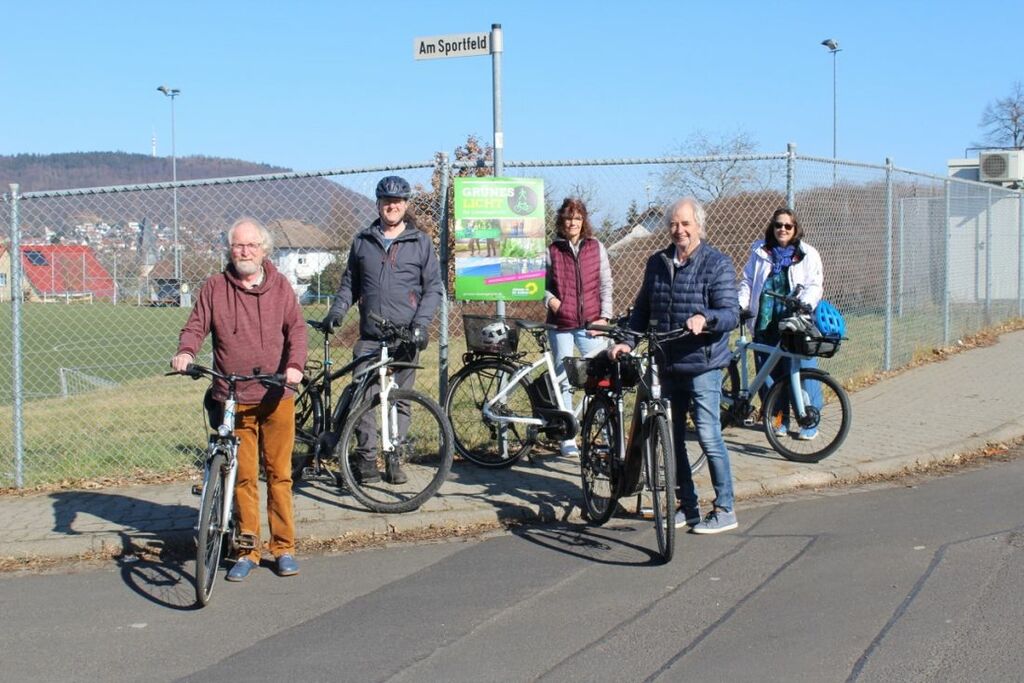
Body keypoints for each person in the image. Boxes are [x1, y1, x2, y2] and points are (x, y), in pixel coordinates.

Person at [171, 217, 307, 581]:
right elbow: (196, 325)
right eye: (237, 246)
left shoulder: (281, 288)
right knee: (244, 477)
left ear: (264, 250)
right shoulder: (214, 288)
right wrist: (186, 352)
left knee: (279, 475)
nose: (244, 252)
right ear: (229, 250)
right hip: (233, 395)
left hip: (277, 393)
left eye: (251, 245)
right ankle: (247, 549)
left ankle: (284, 548)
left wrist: (294, 366)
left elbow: (296, 329)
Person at [609, 197, 740, 534]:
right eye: (673, 224)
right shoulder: (657, 262)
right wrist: (627, 339)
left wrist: (705, 318)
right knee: (673, 438)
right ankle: (688, 507)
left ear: (698, 226)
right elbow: (642, 310)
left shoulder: (717, 263)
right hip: (666, 363)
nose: (679, 230)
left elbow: (730, 314)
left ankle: (725, 508)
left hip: (703, 365)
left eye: (685, 224)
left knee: (709, 436)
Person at [321, 175, 443, 484]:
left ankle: (394, 457)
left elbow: (433, 289)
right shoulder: (363, 240)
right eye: (387, 202)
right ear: (379, 204)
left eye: (398, 201)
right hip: (371, 336)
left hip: (405, 335)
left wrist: (421, 325)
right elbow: (350, 284)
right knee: (365, 397)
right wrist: (337, 312)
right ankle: (366, 459)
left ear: (405, 205)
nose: (392, 206)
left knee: (400, 399)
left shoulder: (420, 242)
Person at [737, 207, 824, 440]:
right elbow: (747, 280)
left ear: (795, 229)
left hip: (795, 321)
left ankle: (809, 420)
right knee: (768, 372)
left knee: (801, 371)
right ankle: (778, 420)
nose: (782, 229)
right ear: (772, 227)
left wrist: (805, 304)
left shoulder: (807, 254)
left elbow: (815, 285)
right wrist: (742, 304)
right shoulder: (759, 250)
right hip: (765, 319)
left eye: (787, 226)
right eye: (778, 225)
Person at [545, 197, 614, 457]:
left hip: (591, 324)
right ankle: (568, 437)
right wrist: (551, 301)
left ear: (583, 220)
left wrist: (605, 317)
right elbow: (539, 283)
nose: (572, 222)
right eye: (567, 217)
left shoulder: (596, 247)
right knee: (563, 380)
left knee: (600, 377)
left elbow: (606, 283)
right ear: (561, 220)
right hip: (561, 323)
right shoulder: (552, 249)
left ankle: (607, 434)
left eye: (577, 218)